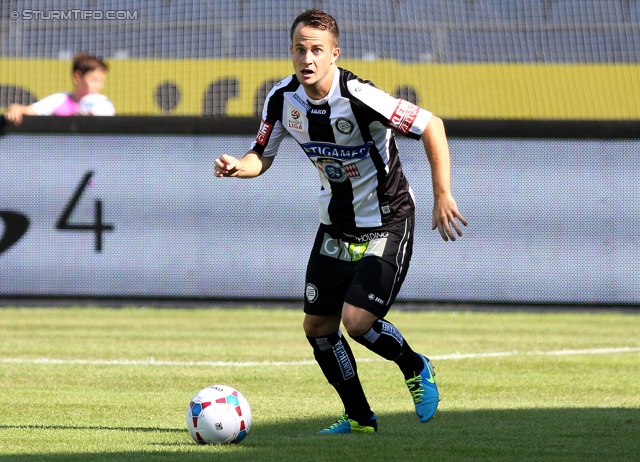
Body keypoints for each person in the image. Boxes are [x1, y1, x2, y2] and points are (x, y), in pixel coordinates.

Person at [215, 9, 467, 434]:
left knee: (357, 321)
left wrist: (442, 193)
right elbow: (262, 156)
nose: (307, 58)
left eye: (316, 50)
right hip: (335, 224)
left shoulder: (359, 96)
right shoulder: (282, 99)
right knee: (317, 326)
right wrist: (239, 166)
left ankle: (415, 366)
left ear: (334, 53)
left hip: (387, 221)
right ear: (291, 52)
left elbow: (431, 125)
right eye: (300, 49)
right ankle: (359, 417)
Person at [4, 54, 111, 126]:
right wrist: (16, 109)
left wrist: (96, 122)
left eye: (101, 81)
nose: (98, 85)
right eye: (94, 80)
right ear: (77, 77)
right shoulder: (59, 100)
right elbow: (28, 110)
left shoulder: (103, 104)